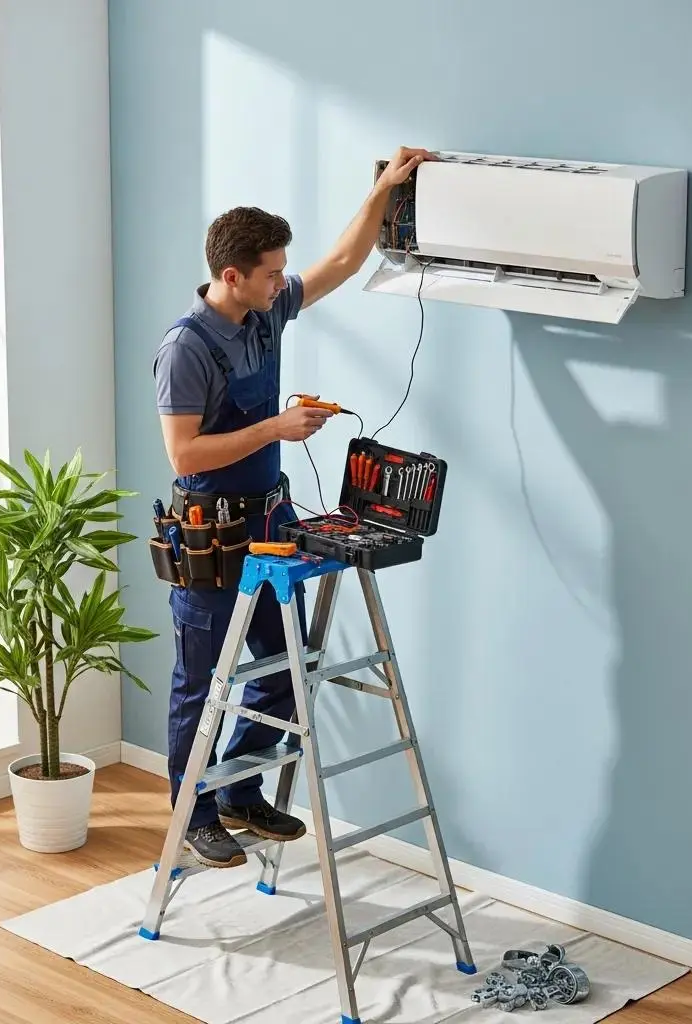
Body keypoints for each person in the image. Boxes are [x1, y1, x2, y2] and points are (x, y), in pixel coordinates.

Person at [152, 145, 436, 868]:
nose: (284, 283)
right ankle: (196, 813)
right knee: (204, 681)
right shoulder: (186, 349)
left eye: (283, 270)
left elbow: (342, 262)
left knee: (286, 662)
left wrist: (383, 190)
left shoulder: (265, 310)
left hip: (271, 524)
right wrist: (275, 428)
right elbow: (183, 456)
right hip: (212, 532)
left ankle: (243, 791)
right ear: (231, 276)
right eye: (272, 272)